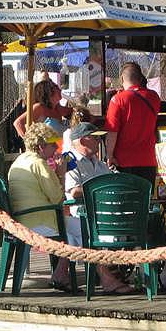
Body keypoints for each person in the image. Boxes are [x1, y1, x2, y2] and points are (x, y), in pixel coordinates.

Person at [62, 123, 134, 294]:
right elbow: (74, 192)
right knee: (95, 232)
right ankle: (109, 279)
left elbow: (115, 182)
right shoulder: (70, 161)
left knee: (146, 223)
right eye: (95, 138)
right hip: (82, 216)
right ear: (82, 140)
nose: (99, 141)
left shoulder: (100, 164)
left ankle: (158, 276)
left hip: (106, 214)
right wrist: (101, 190)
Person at [7, 123, 71, 288]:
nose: (56, 147)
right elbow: (57, 198)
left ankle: (60, 273)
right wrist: (61, 173)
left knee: (76, 229)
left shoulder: (19, 161)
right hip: (40, 222)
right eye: (52, 144)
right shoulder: (39, 164)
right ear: (41, 146)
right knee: (84, 230)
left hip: (21, 220)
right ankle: (62, 275)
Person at [104, 61, 161, 187]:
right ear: (140, 78)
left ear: (122, 79)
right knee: (145, 198)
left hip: (123, 161)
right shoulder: (154, 97)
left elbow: (112, 132)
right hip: (148, 160)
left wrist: (109, 155)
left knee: (127, 198)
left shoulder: (118, 100)